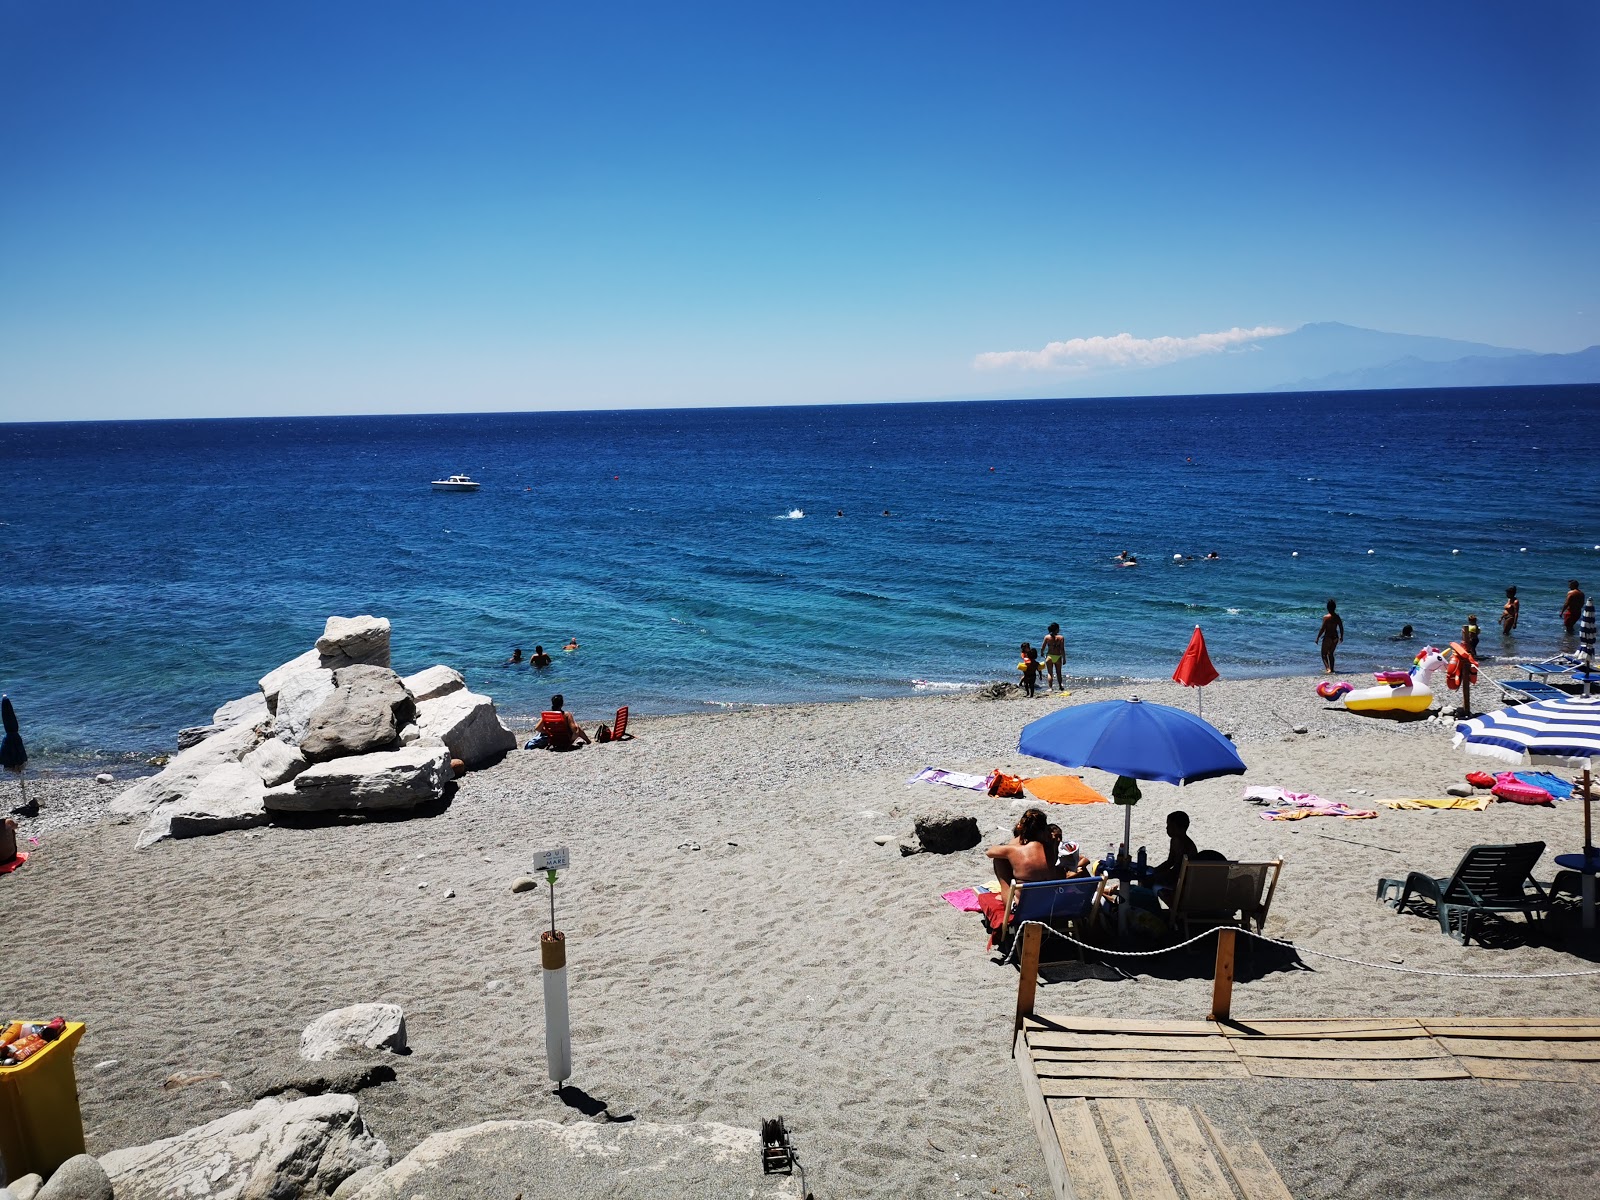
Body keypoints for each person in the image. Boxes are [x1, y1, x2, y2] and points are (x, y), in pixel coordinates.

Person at [1151, 811, 1198, 888]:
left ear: (1181, 828)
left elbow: (1177, 870)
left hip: (1183, 882)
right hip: (1176, 877)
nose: (1167, 828)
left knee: (1149, 881)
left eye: (1170, 825)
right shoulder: (1174, 840)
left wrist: (1156, 875)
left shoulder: (1186, 845)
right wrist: (1155, 870)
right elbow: (1170, 861)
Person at [1315, 598, 1344, 673]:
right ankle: (1332, 669)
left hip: (1328, 637)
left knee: (1323, 654)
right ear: (1335, 607)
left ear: (1327, 608)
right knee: (1331, 653)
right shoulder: (1337, 617)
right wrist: (1341, 636)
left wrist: (1317, 638)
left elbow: (1322, 629)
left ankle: (1328, 669)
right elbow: (1341, 627)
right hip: (1335, 637)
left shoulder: (1326, 617)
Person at [1041, 623, 1066, 691]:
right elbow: (1062, 649)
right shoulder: (1061, 637)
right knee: (1059, 672)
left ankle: (1050, 688)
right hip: (1058, 656)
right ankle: (1060, 686)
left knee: (1050, 673)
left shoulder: (1047, 637)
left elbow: (1043, 647)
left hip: (1049, 656)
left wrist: (1042, 653)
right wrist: (1064, 658)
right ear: (1056, 629)